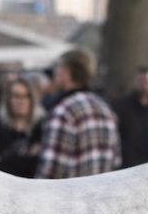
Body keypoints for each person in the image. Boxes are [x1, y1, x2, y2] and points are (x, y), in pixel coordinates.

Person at [36, 48, 120, 178]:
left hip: (70, 196)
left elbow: (50, 172)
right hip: (102, 195)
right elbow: (116, 161)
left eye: (58, 67)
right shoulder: (105, 109)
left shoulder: (63, 112)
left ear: (67, 72)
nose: (55, 72)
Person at [0, 77, 45, 178]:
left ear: (32, 100)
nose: (21, 101)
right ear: (8, 100)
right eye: (16, 96)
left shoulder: (42, 127)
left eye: (26, 96)